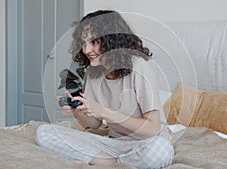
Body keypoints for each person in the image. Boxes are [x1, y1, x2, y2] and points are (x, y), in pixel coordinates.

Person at [36, 10, 174, 169]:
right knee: (44, 132)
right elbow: (94, 124)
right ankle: (114, 163)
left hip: (146, 143)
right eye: (84, 43)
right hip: (112, 145)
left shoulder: (139, 66)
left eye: (94, 41)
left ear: (112, 40)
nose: (86, 50)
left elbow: (152, 129)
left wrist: (104, 111)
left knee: (160, 151)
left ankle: (103, 162)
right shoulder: (93, 73)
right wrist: (77, 110)